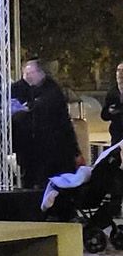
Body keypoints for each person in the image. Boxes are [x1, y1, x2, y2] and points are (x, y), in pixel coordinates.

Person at [12, 59, 84, 188]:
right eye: (25, 73)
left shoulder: (52, 91)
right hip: (31, 149)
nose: (28, 76)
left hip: (53, 147)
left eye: (31, 73)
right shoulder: (22, 87)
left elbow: (60, 121)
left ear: (41, 73)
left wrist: (75, 151)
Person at [100, 61, 123, 145]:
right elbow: (104, 115)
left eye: (122, 71)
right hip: (117, 135)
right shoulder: (112, 92)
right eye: (118, 70)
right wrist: (110, 111)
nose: (120, 74)